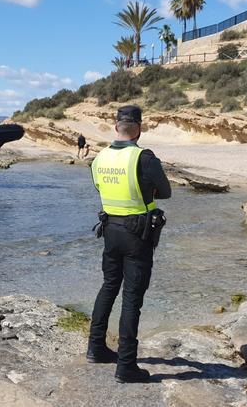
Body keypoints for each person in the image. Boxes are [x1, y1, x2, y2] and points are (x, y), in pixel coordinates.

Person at [87, 105, 171, 383]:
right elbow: (166, 192)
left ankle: (96, 348)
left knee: (109, 286)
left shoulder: (99, 158)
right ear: (140, 128)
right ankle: (126, 366)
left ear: (115, 128)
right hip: (137, 233)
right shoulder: (143, 157)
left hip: (110, 229)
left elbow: (100, 188)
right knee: (132, 298)